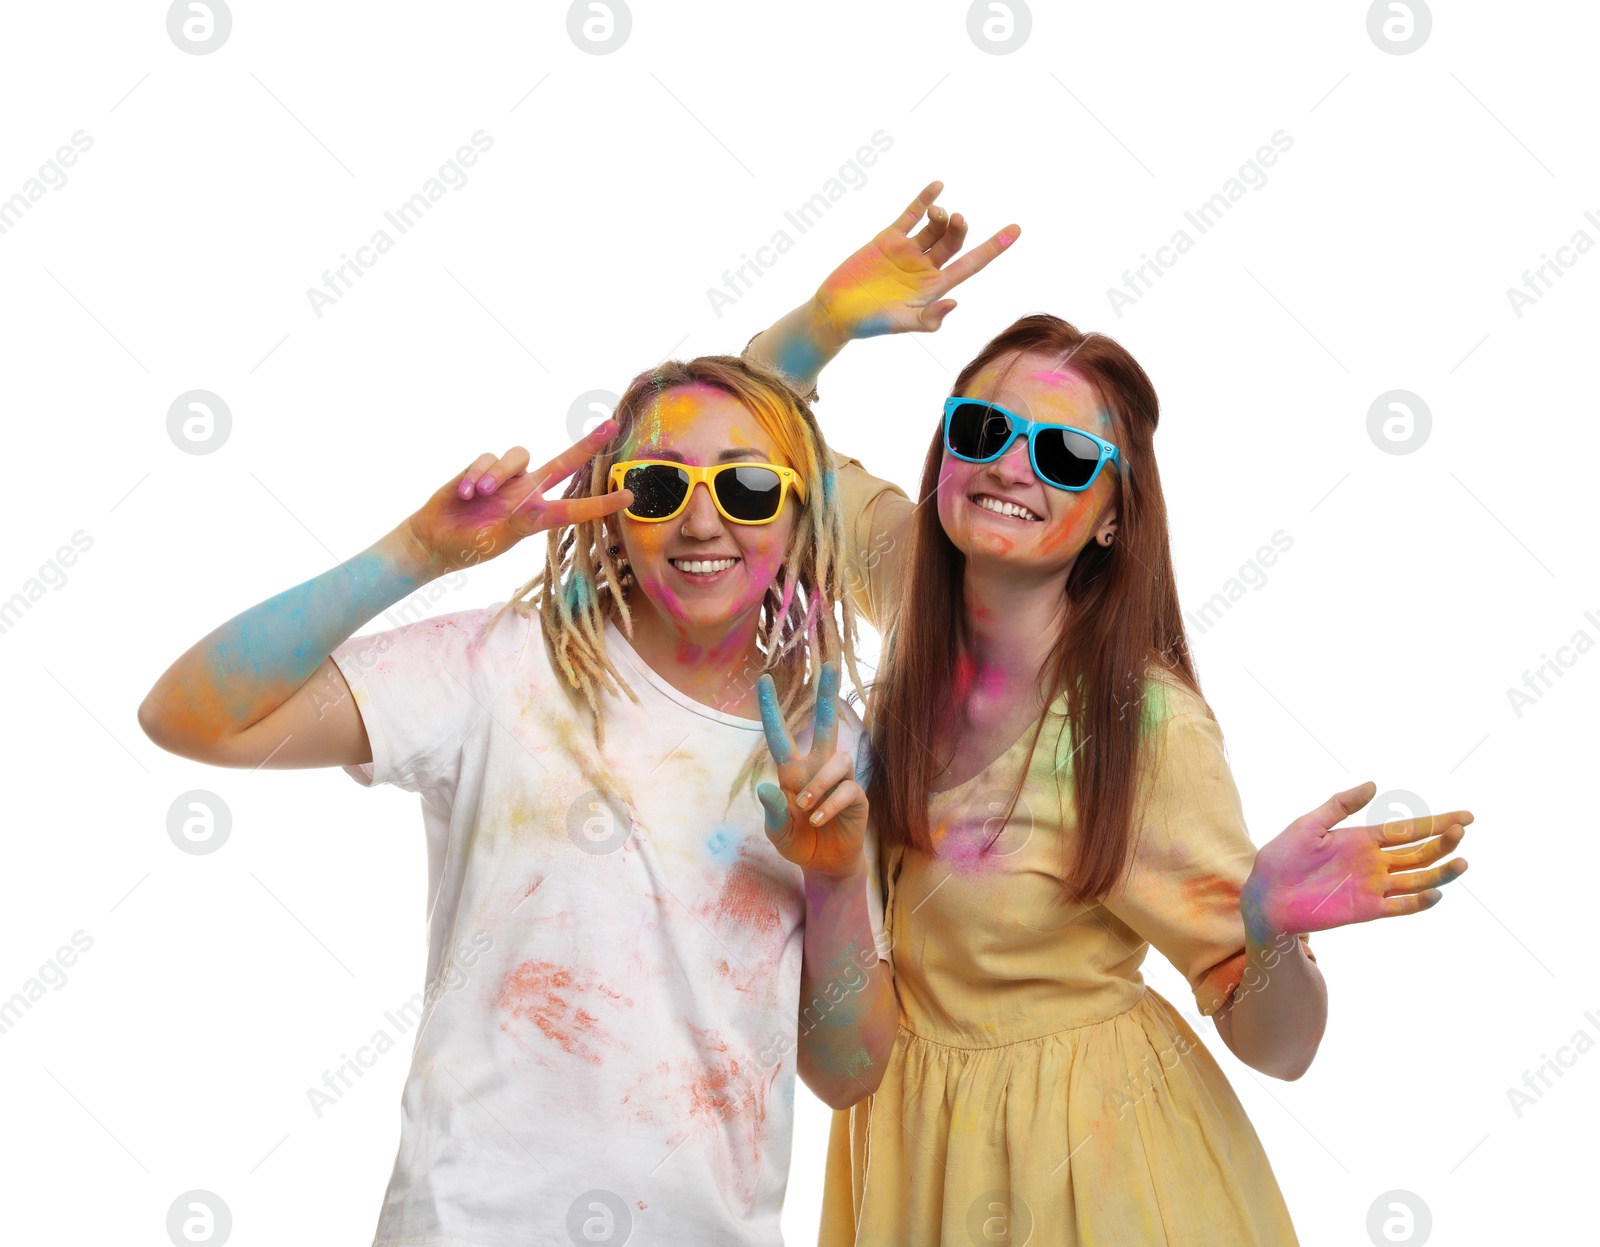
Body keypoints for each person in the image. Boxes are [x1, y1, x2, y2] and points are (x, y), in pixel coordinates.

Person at [744, 184, 1473, 1245]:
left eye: (1064, 455)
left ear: (1112, 517)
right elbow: (751, 434)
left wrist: (1267, 931)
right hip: (916, 1148)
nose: (1010, 467)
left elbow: (1280, 1047)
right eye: (983, 429)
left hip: (1096, 1171)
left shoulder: (1144, 724)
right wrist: (825, 321)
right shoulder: (908, 580)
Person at [137, 354, 898, 1246]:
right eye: (657, 487)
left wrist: (836, 876)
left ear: (802, 513)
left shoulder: (830, 752)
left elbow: (848, 1071)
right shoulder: (496, 668)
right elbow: (188, 715)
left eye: (748, 487)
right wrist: (413, 555)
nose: (702, 520)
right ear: (610, 514)